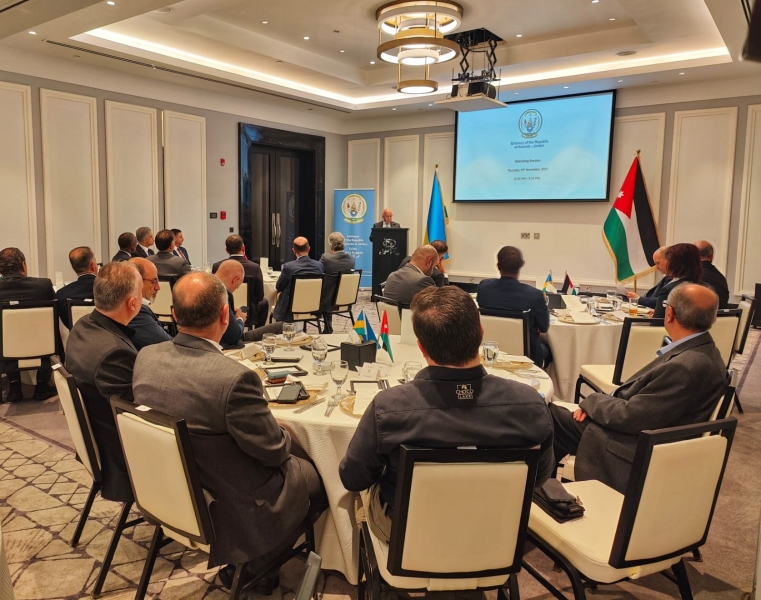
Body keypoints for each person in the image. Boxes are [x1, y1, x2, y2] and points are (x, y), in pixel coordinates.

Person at [132, 272, 326, 592]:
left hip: (171, 491)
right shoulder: (234, 378)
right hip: (231, 502)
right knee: (322, 477)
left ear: (174, 314)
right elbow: (273, 451)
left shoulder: (145, 358)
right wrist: (285, 431)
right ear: (225, 315)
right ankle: (258, 565)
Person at [339, 286, 554, 543]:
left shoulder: (388, 408)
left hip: (411, 538)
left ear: (421, 348)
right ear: (481, 333)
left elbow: (353, 478)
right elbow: (538, 477)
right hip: (495, 534)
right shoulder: (531, 404)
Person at [550, 284, 727, 494]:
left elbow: (632, 416)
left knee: (546, 415)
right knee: (551, 418)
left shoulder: (686, 366)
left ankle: (543, 494)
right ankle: (548, 491)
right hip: (650, 430)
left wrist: (592, 402)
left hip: (637, 447)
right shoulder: (704, 351)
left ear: (669, 313)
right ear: (713, 319)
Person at [65, 262, 143, 502]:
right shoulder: (113, 354)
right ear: (132, 303)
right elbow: (138, 416)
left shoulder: (83, 325)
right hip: (120, 460)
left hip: (98, 439)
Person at [476, 246, 551, 367]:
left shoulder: (484, 287)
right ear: (521, 265)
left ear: (498, 266)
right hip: (526, 357)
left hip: (491, 351)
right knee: (550, 350)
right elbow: (544, 327)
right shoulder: (535, 295)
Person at [0, 248, 57, 402]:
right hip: (41, 344)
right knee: (47, 332)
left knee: (6, 336)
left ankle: (14, 387)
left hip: (6, 347)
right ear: (23, 265)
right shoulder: (43, 285)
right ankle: (42, 385)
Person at [212, 236, 267, 327]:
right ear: (243, 248)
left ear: (227, 250)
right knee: (264, 302)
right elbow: (259, 296)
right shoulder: (254, 267)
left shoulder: (217, 266)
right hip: (248, 310)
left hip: (224, 308)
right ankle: (258, 331)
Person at [272, 237, 323, 322]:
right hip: (313, 307)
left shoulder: (288, 267)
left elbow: (279, 286)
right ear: (309, 249)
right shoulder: (319, 266)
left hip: (290, 311)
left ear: (294, 250)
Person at [128, 258, 173, 350]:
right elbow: (167, 346)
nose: (158, 287)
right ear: (137, 281)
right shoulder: (135, 310)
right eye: (153, 282)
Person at [652, 243, 702, 318]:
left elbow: (657, 321)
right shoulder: (705, 288)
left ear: (675, 263)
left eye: (669, 260)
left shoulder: (669, 290)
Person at [320, 232, 355, 334]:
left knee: (325, 288)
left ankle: (328, 326)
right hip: (346, 300)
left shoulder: (326, 259)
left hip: (328, 302)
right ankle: (328, 326)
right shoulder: (351, 259)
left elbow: (317, 270)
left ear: (330, 246)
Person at [56, 246, 97, 329]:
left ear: (74, 268)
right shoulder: (110, 289)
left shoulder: (61, 295)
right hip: (107, 336)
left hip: (76, 335)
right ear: (93, 266)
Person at [215, 260, 246, 349]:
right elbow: (233, 336)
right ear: (235, 280)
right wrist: (240, 318)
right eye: (237, 286)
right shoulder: (221, 294)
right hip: (222, 346)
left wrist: (231, 313)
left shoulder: (202, 285)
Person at [696, 240, 729, 309]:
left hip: (706, 314)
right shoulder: (720, 276)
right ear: (712, 257)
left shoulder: (695, 275)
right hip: (723, 314)